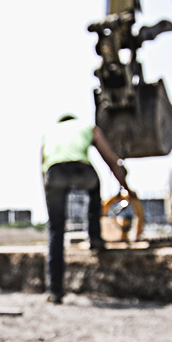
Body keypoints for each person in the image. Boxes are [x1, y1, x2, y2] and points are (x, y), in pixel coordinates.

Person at [41, 113, 132, 304]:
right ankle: (95, 237)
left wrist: (49, 194)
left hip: (54, 173)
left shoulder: (49, 133)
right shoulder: (88, 127)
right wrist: (125, 186)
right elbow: (110, 158)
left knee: (56, 230)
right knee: (94, 186)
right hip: (81, 170)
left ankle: (55, 291)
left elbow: (42, 167)